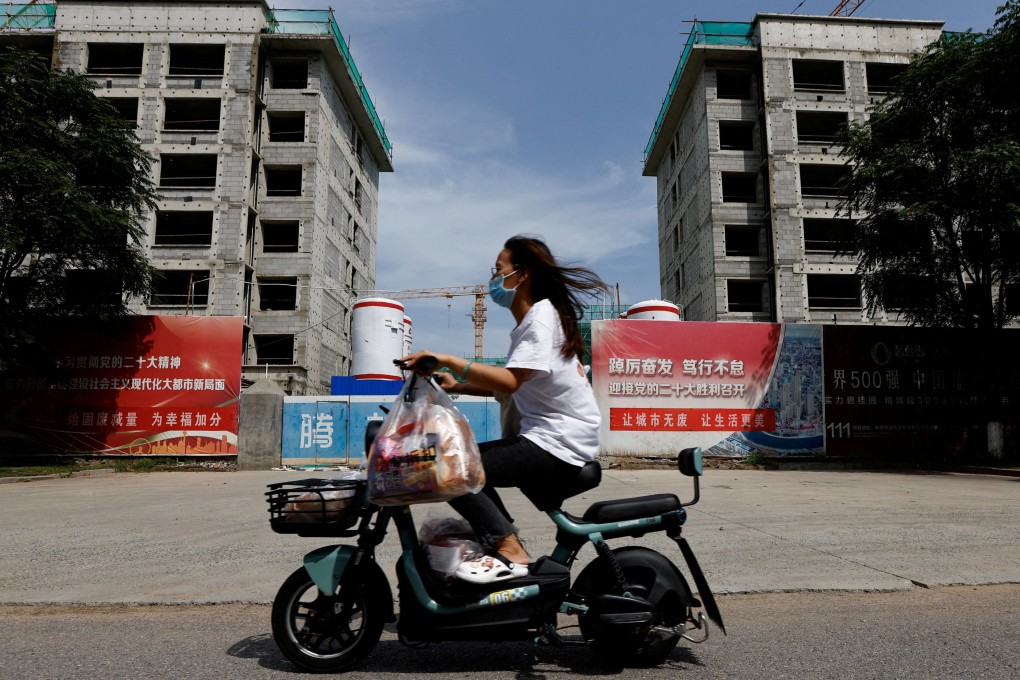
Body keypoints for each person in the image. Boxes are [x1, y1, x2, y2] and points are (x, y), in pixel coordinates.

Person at [400, 235, 607, 584]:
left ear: (522, 275)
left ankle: (509, 550)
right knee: (462, 463)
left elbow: (510, 381)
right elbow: (516, 382)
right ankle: (502, 545)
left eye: (498, 270)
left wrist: (451, 359)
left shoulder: (540, 319)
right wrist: (458, 384)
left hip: (558, 443)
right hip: (554, 439)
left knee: (454, 466)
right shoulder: (534, 322)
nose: (493, 279)